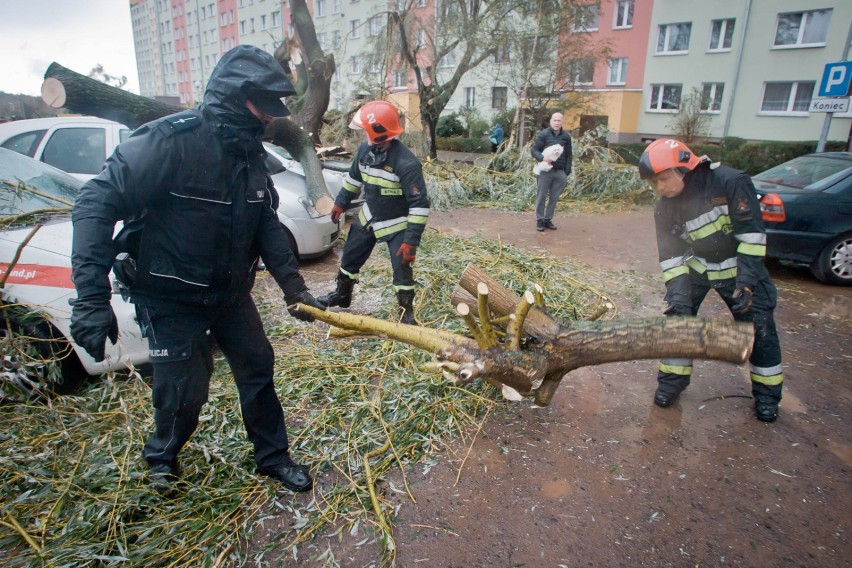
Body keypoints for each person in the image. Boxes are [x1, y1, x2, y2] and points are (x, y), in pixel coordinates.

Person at [68, 45, 326, 495]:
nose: (269, 118)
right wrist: (91, 297)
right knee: (185, 388)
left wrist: (294, 288)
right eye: (261, 107)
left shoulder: (250, 156)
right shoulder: (169, 142)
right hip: (170, 296)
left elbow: (265, 222)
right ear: (231, 94)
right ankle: (162, 458)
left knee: (257, 366)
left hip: (228, 294)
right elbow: (95, 203)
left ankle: (272, 456)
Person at [638, 138, 784, 422]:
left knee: (760, 331)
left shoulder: (731, 182)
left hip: (741, 271)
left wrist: (747, 283)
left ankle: (767, 397)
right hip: (698, 270)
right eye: (652, 183)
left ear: (684, 168)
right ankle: (671, 385)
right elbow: (671, 258)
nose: (659, 188)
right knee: (678, 325)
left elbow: (752, 238)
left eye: (663, 179)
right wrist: (679, 300)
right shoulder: (664, 208)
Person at [318, 100, 430, 325]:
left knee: (402, 269)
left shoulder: (406, 163)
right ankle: (342, 294)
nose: (362, 137)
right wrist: (341, 203)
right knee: (350, 255)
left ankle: (405, 312)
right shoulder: (364, 150)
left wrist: (411, 241)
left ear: (379, 133)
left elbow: (420, 206)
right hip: (369, 215)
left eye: (365, 131)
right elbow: (353, 179)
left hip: (397, 222)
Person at [530, 112, 572, 232]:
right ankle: (540, 220)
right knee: (541, 196)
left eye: (559, 120)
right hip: (545, 171)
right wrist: (543, 158)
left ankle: (548, 219)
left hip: (560, 172)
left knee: (554, 198)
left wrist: (566, 171)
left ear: (562, 121)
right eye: (555, 120)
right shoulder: (543, 135)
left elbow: (569, 154)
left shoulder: (566, 137)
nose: (557, 123)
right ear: (551, 121)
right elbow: (534, 150)